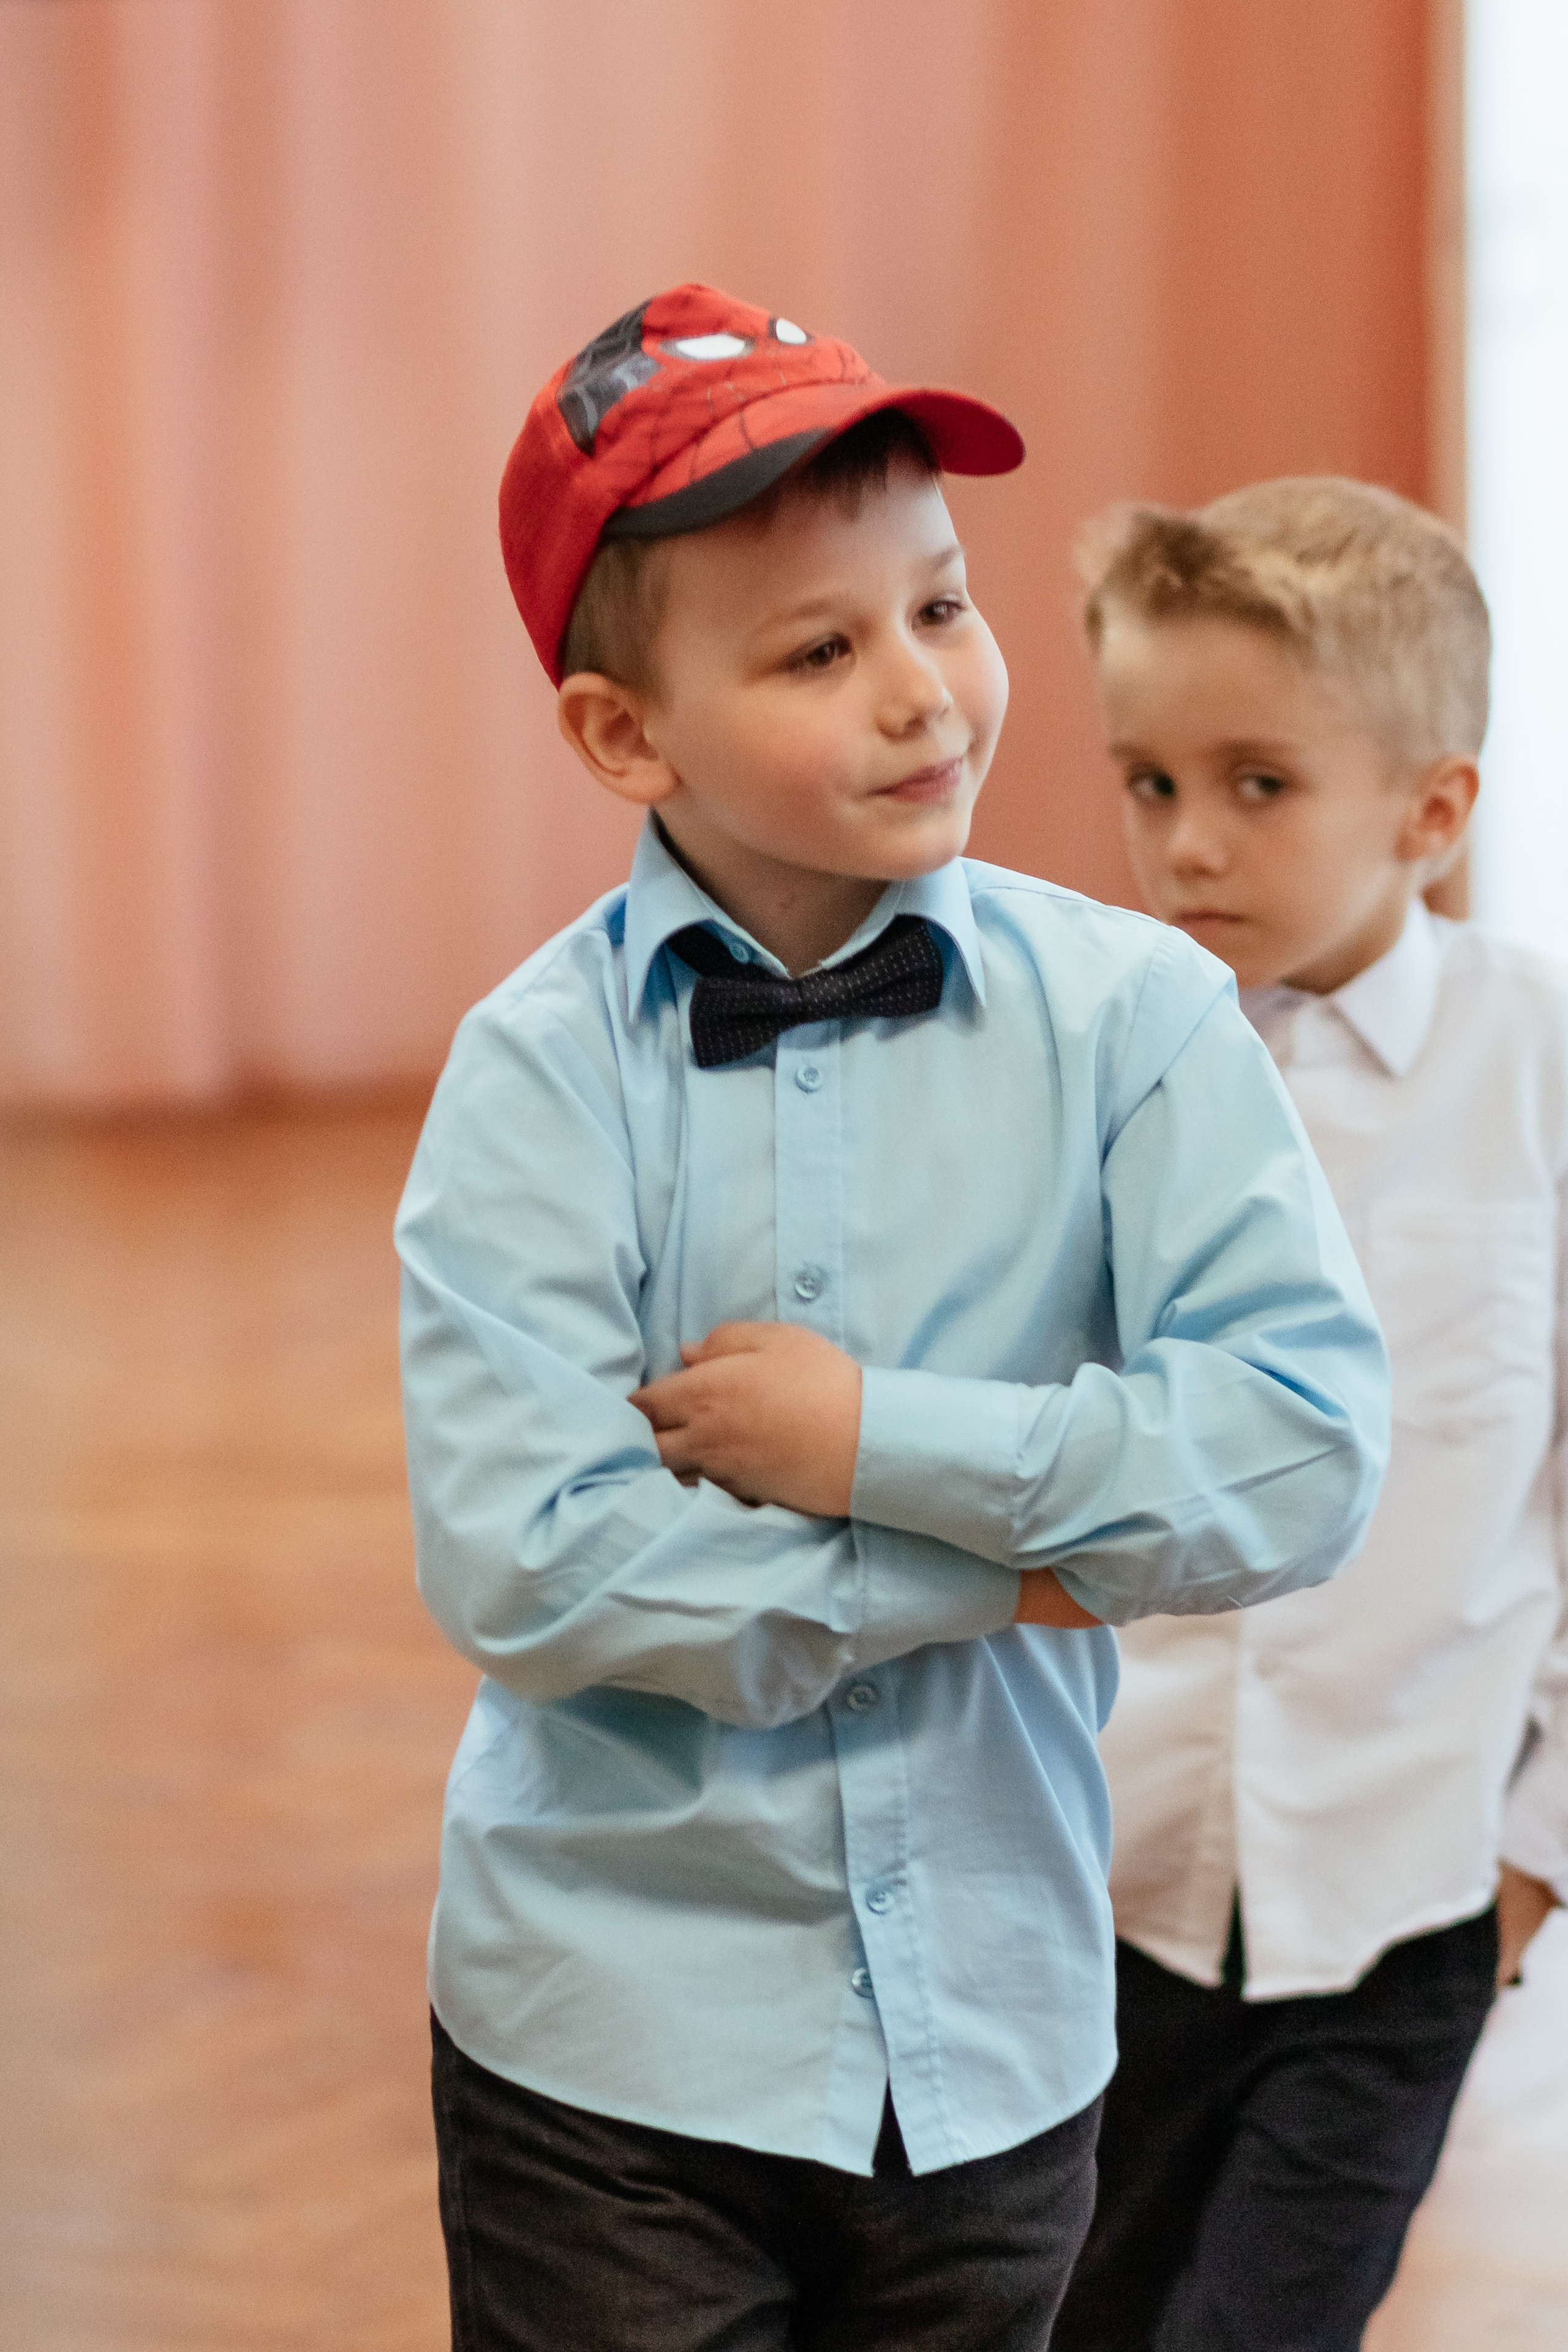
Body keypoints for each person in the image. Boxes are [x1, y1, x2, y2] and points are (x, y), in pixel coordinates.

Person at [394, 287, 1389, 2352]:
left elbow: (1300, 1450)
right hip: (608, 2055)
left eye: (941, 605)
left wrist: (875, 1444)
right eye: (820, 652)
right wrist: (1016, 1566)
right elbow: (531, 1559)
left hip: (998, 2043)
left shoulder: (1135, 1021)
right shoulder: (538, 1075)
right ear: (625, 735)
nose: (924, 691)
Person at [1054, 476, 1568, 2352]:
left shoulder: (1539, 1072)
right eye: (1149, 781)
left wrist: (1534, 1857)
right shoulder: (1084, 1070)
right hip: (1104, 1893)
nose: (1186, 843)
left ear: (1433, 812)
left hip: (1404, 1904)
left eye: (1258, 783)